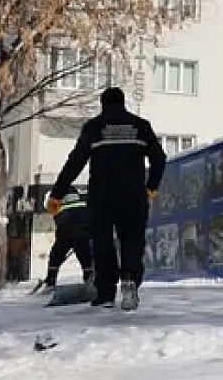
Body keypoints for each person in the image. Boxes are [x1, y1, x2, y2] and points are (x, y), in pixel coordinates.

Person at [47, 87, 167, 311]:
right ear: (123, 103)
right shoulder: (141, 126)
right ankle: (130, 280)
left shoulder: (94, 127)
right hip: (133, 196)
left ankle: (106, 294)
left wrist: (58, 194)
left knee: (102, 243)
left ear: (103, 104)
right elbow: (159, 158)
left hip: (102, 197)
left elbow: (75, 162)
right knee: (132, 239)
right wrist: (151, 187)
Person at [34, 187, 95, 297]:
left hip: (65, 235)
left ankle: (51, 282)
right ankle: (89, 282)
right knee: (86, 260)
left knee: (55, 257)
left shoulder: (56, 204)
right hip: (84, 235)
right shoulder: (83, 202)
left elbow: (58, 220)